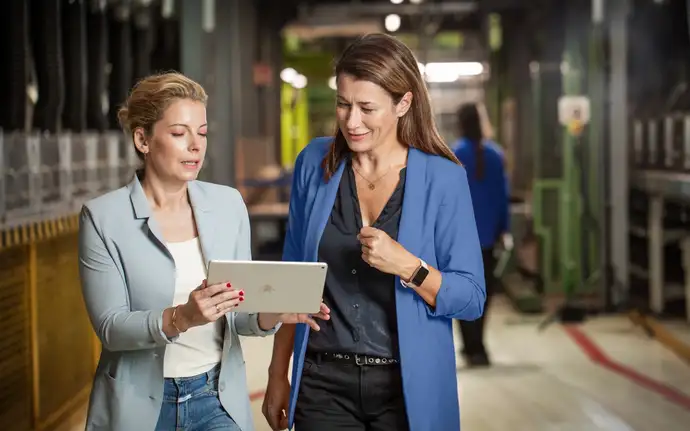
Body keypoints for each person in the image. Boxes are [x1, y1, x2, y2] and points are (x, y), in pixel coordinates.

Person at [78, 72, 330, 431]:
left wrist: (273, 311)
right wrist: (182, 317)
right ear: (142, 139)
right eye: (180, 134)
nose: (196, 145)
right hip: (139, 407)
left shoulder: (227, 205)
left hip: (215, 398)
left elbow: (240, 317)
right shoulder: (103, 218)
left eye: (203, 133)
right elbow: (110, 327)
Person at [262, 33, 486, 431]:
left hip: (405, 388)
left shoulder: (443, 178)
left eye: (367, 108)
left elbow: (471, 298)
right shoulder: (314, 163)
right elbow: (290, 281)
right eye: (343, 104)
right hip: (322, 382)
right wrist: (278, 374)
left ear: (403, 103)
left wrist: (410, 267)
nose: (351, 121)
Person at [452, 102, 511, 367]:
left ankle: (471, 346)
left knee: (462, 292)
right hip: (487, 238)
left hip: (457, 239)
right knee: (483, 293)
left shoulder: (453, 154)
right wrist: (504, 229)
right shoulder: (495, 155)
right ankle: (479, 345)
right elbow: (502, 198)